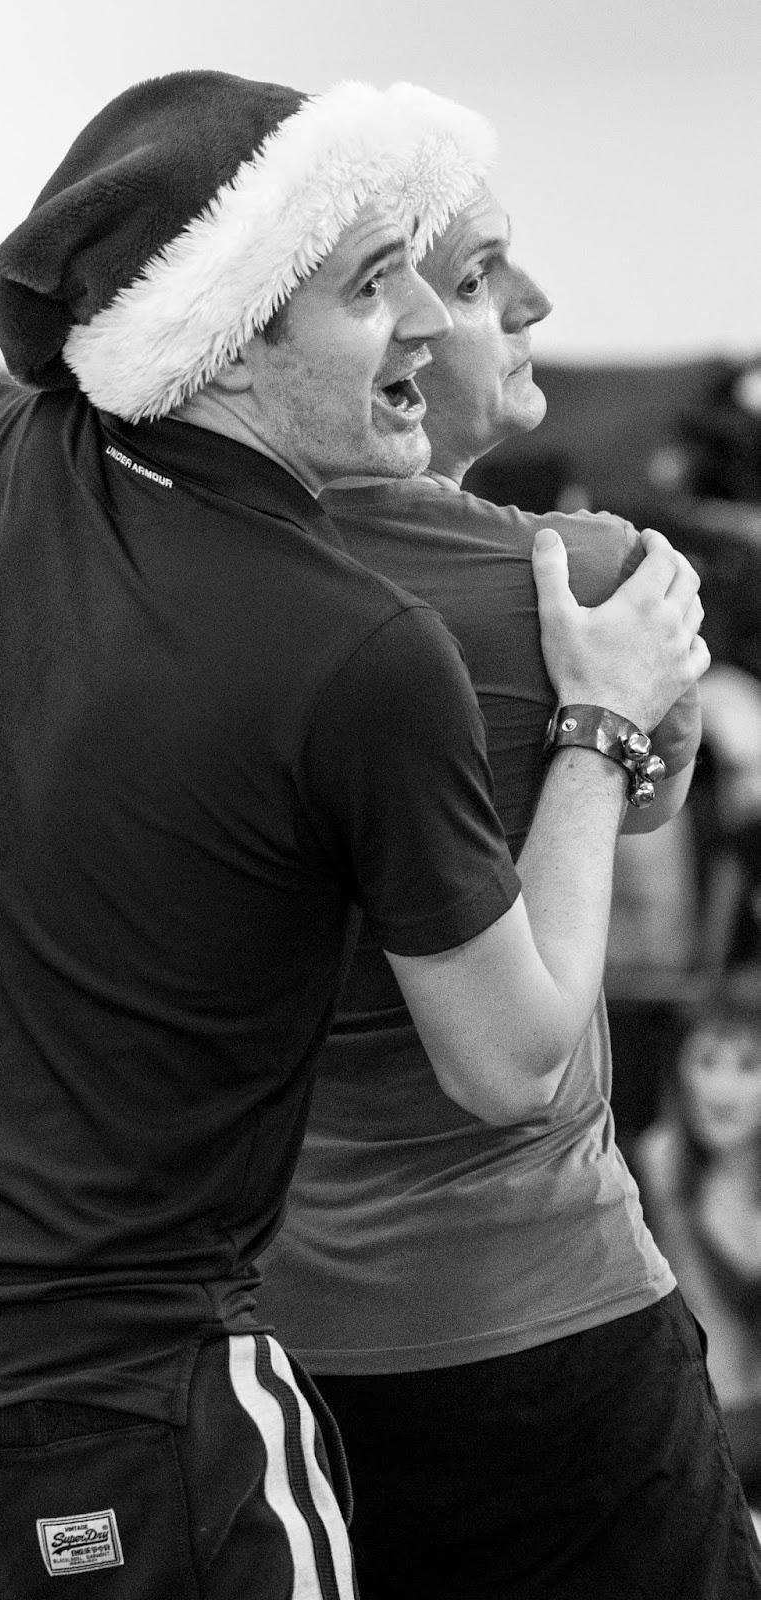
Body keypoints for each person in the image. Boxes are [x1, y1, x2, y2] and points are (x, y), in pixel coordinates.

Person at [0, 51, 708, 1600]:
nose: (434, 319)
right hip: (129, 1409)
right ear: (230, 336)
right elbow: (514, 1060)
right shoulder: (423, 627)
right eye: (380, 284)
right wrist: (599, 732)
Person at [253, 182, 761, 1597]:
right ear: (388, 337)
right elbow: (647, 803)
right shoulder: (598, 577)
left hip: (273, 1345)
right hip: (541, 1315)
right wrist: (594, 727)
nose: (532, 303)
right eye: (478, 280)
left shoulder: (172, 576)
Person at [637, 975, 761, 1514]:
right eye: (706, 1061)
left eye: (748, 1066)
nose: (721, 1088)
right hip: (700, 1431)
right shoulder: (657, 1165)